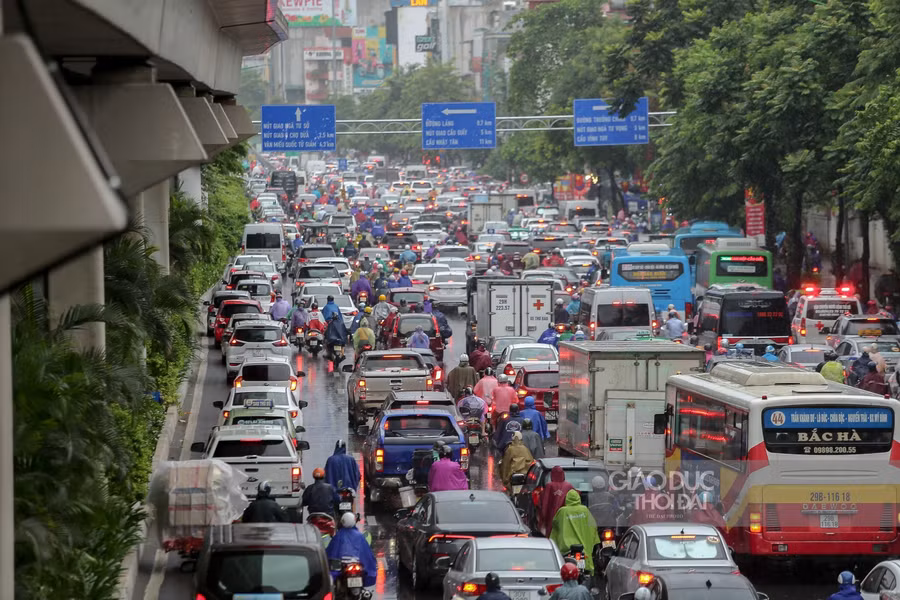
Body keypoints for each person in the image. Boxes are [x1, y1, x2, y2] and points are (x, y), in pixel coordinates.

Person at [550, 489, 601, 574]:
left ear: (567, 499)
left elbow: (555, 525)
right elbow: (593, 526)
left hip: (566, 548)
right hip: (583, 547)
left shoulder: (562, 511)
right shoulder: (584, 510)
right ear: (578, 498)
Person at [326, 513, 377, 588]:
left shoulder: (338, 536)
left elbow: (331, 552)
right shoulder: (359, 536)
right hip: (356, 566)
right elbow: (367, 555)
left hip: (343, 567)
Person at [539, 466, 575, 537]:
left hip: (551, 517)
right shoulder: (569, 486)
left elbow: (545, 503)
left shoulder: (549, 486)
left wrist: (543, 519)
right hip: (566, 517)